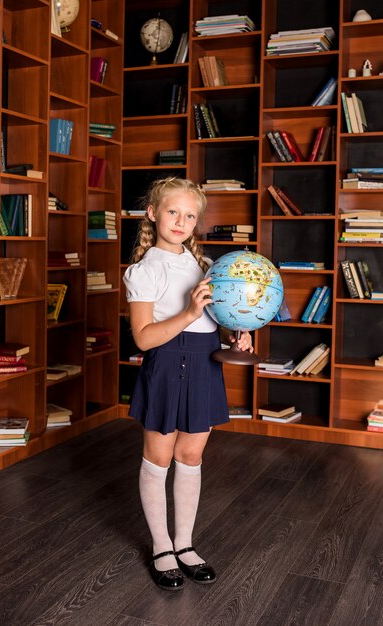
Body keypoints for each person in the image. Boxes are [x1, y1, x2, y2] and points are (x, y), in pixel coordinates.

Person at [123, 177, 253, 591]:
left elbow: (215, 317)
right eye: (173, 212)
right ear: (153, 213)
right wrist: (189, 311)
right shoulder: (142, 270)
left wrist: (236, 332)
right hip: (165, 365)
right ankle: (161, 546)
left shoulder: (203, 267)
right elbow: (144, 337)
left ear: (197, 222)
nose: (181, 221)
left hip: (203, 366)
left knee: (191, 455)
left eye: (190, 215)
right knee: (158, 458)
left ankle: (185, 544)